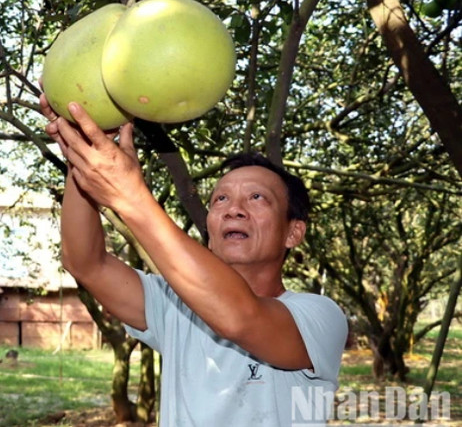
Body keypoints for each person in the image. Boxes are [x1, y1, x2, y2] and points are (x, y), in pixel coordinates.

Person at [40, 96, 348, 426]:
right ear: (209, 226)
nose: (234, 209)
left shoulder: (320, 317)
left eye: (257, 197)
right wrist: (82, 157)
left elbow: (240, 317)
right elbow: (87, 264)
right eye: (221, 199)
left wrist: (131, 197)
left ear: (293, 232)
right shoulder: (174, 306)